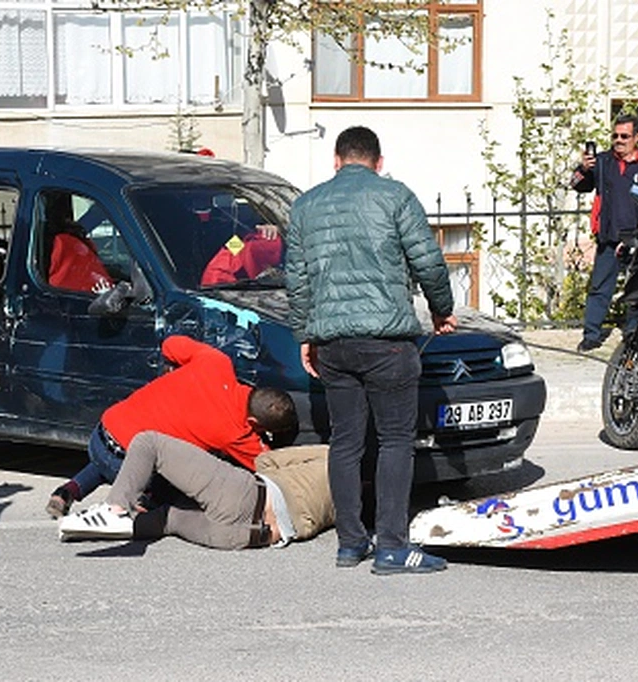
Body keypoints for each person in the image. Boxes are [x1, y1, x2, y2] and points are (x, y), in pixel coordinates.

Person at [284, 125, 456, 575]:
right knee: (396, 439)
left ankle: (350, 543)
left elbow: (297, 280)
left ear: (336, 161)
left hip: (334, 345)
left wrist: (306, 334)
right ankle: (392, 546)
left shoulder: (305, 206)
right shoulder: (395, 196)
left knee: (345, 441)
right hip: (387, 341)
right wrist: (442, 310)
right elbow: (429, 262)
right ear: (379, 162)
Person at [47, 335, 299, 519]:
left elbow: (170, 343)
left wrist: (171, 369)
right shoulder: (235, 432)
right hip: (128, 464)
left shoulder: (216, 362)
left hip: (101, 434)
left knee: (110, 456)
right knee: (183, 474)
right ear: (255, 422)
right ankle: (145, 503)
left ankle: (66, 491)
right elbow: (267, 465)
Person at [59, 432, 333, 550]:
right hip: (250, 537)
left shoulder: (334, 456)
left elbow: (265, 461)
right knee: (169, 519)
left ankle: (113, 509)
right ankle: (86, 526)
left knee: (149, 443)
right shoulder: (361, 502)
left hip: (249, 496)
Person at [570, 114, 638, 352]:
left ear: (636, 138)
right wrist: (583, 168)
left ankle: (634, 335)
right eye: (615, 136)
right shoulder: (601, 162)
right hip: (610, 237)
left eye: (624, 136)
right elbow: (576, 184)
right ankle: (591, 335)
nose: (618, 141)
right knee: (600, 288)